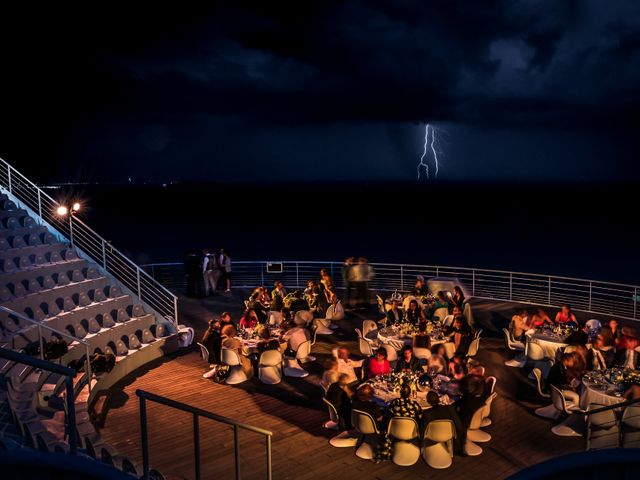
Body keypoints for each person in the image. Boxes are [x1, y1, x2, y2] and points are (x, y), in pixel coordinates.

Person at [421, 391, 466, 455]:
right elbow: (458, 425)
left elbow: (423, 430)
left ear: (428, 401)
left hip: (433, 437)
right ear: (439, 399)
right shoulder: (449, 409)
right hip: (448, 435)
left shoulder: (426, 413)